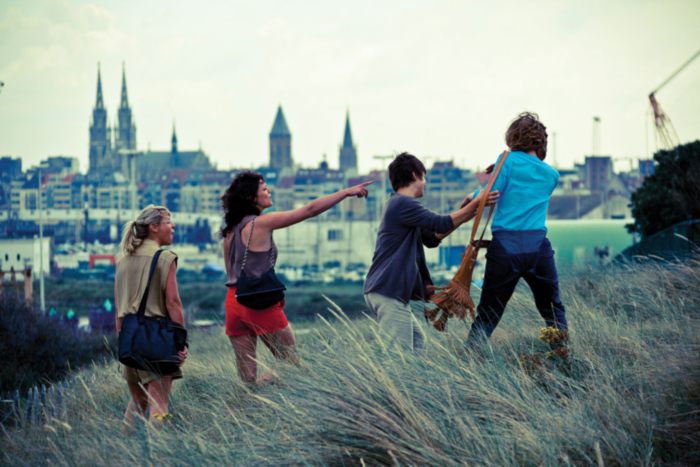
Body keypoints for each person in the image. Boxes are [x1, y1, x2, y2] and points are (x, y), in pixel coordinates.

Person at [221, 170, 373, 384]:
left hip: (233, 303)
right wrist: (346, 192)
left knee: (246, 379)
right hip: (257, 301)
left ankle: (246, 408)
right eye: (265, 188)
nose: (270, 190)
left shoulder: (229, 231)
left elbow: (231, 273)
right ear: (251, 197)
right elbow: (309, 210)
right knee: (291, 365)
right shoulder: (261, 223)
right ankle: (262, 391)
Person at [363, 152, 499, 353]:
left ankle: (409, 384)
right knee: (397, 357)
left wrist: (469, 212)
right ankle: (391, 385)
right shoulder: (402, 203)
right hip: (387, 290)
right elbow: (440, 222)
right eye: (424, 177)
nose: (425, 182)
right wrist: (474, 204)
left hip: (386, 290)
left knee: (418, 345)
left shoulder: (399, 205)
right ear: (414, 175)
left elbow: (432, 238)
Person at [465, 111, 568, 344]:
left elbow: (489, 195)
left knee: (489, 313)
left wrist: (469, 196)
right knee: (553, 309)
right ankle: (563, 354)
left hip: (505, 249)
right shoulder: (552, 175)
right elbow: (530, 181)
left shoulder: (507, 163)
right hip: (538, 249)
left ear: (512, 138)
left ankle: (471, 358)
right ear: (541, 143)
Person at [114, 205, 187, 427]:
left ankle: (123, 454)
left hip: (130, 342)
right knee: (159, 404)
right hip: (156, 342)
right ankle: (159, 457)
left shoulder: (123, 260)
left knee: (137, 404)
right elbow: (173, 302)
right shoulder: (165, 258)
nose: (173, 225)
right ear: (154, 227)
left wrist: (125, 343)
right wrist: (180, 342)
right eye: (168, 221)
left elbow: (119, 309)